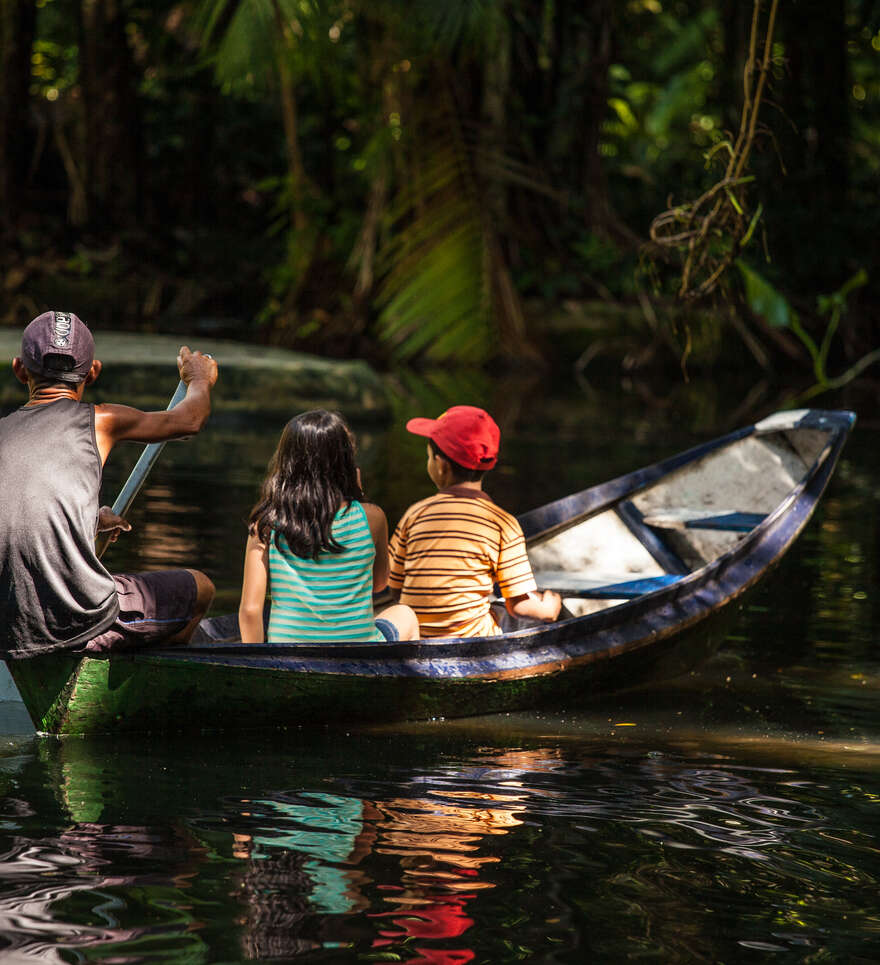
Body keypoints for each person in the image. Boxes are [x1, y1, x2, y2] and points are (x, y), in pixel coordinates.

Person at [0, 310, 219, 660]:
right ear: (94, 371)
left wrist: (92, 518)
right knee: (202, 589)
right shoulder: (102, 421)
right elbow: (189, 419)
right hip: (76, 623)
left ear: (19, 369)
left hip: (7, 627)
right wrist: (199, 380)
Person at [238, 409, 418, 643]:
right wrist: (358, 497)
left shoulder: (266, 523)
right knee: (405, 614)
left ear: (286, 460)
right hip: (358, 653)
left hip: (286, 655)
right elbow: (379, 584)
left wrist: (259, 667)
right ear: (345, 461)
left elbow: (250, 610)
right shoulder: (372, 517)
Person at [388, 405, 562, 638]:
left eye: (428, 457)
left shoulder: (415, 513)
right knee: (504, 610)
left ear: (441, 465)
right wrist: (548, 610)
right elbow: (520, 606)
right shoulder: (503, 523)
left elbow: (395, 588)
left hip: (415, 638)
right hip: (471, 641)